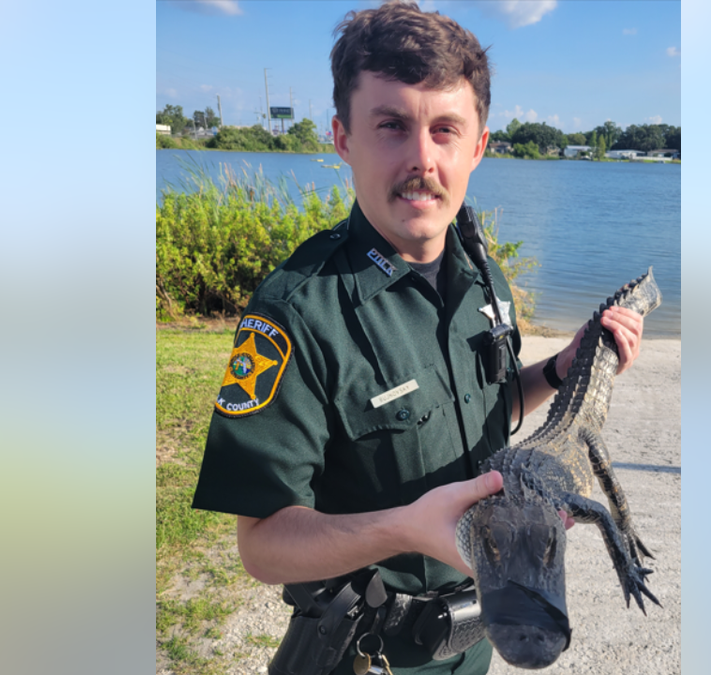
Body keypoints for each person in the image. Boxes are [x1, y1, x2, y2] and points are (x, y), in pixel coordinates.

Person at [191, 2, 644, 673]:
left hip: (478, 637)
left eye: (445, 129)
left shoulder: (484, 276)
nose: (422, 159)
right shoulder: (296, 311)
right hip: (368, 653)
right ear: (344, 138)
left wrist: (557, 370)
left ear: (479, 145)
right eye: (392, 126)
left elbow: (481, 412)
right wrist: (403, 528)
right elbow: (262, 544)